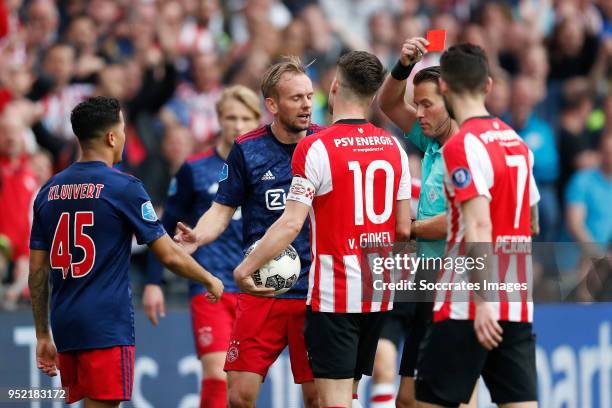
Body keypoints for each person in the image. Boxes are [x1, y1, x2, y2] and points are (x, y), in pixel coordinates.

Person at [233, 50, 412, 408]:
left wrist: (245, 268)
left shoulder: (316, 147)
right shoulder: (394, 148)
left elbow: (290, 222)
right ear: (373, 94)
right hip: (377, 296)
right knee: (346, 396)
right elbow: (404, 229)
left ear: (333, 87)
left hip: (335, 296)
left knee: (332, 402)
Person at [28, 96, 223, 408]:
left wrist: (42, 333)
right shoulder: (124, 187)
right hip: (105, 324)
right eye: (122, 129)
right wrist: (209, 279)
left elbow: (37, 271)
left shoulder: (48, 191)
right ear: (111, 137)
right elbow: (169, 255)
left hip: (65, 323)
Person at [173, 57, 323, 408]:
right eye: (296, 98)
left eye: (309, 96)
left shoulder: (323, 143)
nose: (306, 105)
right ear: (271, 105)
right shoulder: (246, 148)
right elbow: (221, 210)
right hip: (260, 288)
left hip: (314, 292)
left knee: (317, 398)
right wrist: (198, 235)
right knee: (239, 396)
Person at [415, 43, 540, 408]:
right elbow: (533, 219)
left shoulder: (462, 146)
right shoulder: (518, 142)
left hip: (467, 303)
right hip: (515, 299)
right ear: (487, 85)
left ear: (445, 89)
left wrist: (484, 300)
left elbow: (479, 224)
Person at [143, 85, 261, 408]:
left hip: (254, 290)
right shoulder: (193, 169)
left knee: (242, 389)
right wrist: (154, 282)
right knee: (217, 373)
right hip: (209, 287)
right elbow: (163, 230)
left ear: (257, 119)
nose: (238, 125)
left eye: (245, 118)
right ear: (218, 119)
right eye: (230, 117)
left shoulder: (267, 170)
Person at [377, 37, 474, 408]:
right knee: (408, 399)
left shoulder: (465, 150)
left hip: (458, 277)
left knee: (445, 396)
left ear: (450, 101)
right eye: (416, 104)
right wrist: (402, 65)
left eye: (427, 104)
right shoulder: (432, 141)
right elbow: (387, 103)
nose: (418, 113)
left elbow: (458, 221)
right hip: (427, 276)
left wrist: (409, 229)